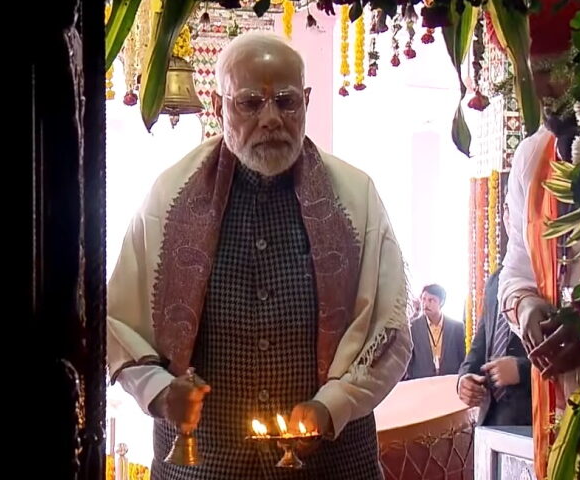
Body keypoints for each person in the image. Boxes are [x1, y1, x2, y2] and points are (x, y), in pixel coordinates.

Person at [106, 31, 412, 480]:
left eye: (286, 102)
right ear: (217, 107)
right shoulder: (168, 199)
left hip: (332, 466)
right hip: (202, 467)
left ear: (306, 100)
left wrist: (332, 407)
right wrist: (157, 390)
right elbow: (116, 325)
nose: (271, 119)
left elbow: (391, 333)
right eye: (250, 103)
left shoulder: (356, 198)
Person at [496, 1, 580, 478]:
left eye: (558, 69)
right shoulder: (533, 155)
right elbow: (515, 268)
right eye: (534, 71)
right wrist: (527, 309)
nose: (543, 88)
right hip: (552, 394)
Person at [458, 203, 532, 426]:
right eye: (510, 212)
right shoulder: (495, 281)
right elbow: (479, 347)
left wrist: (522, 370)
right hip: (490, 419)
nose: (514, 220)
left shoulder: (553, 276)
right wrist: (465, 378)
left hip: (533, 421)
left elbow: (571, 353)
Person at [405, 284, 465, 379]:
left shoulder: (457, 327)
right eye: (423, 299)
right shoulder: (412, 328)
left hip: (449, 382)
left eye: (431, 300)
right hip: (421, 384)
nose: (425, 304)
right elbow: (408, 362)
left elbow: (462, 358)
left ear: (441, 302)